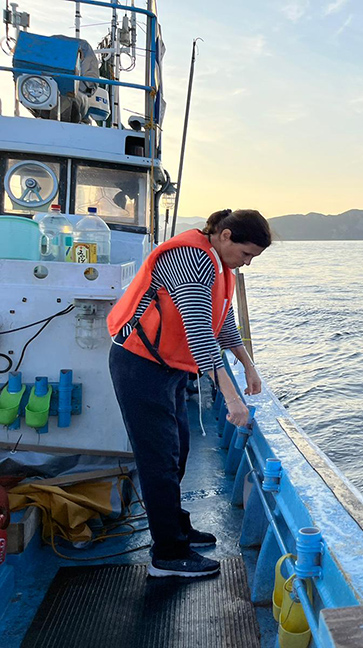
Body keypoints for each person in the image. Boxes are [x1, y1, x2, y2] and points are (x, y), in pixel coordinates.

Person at [107, 209, 271, 578]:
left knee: (178, 449)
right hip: (139, 365)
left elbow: (223, 323)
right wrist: (232, 398)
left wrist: (248, 365)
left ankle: (177, 528)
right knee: (159, 460)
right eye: (246, 253)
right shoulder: (191, 259)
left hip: (168, 368)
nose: (247, 263)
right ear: (225, 236)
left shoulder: (220, 266)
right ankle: (167, 555)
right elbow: (199, 334)